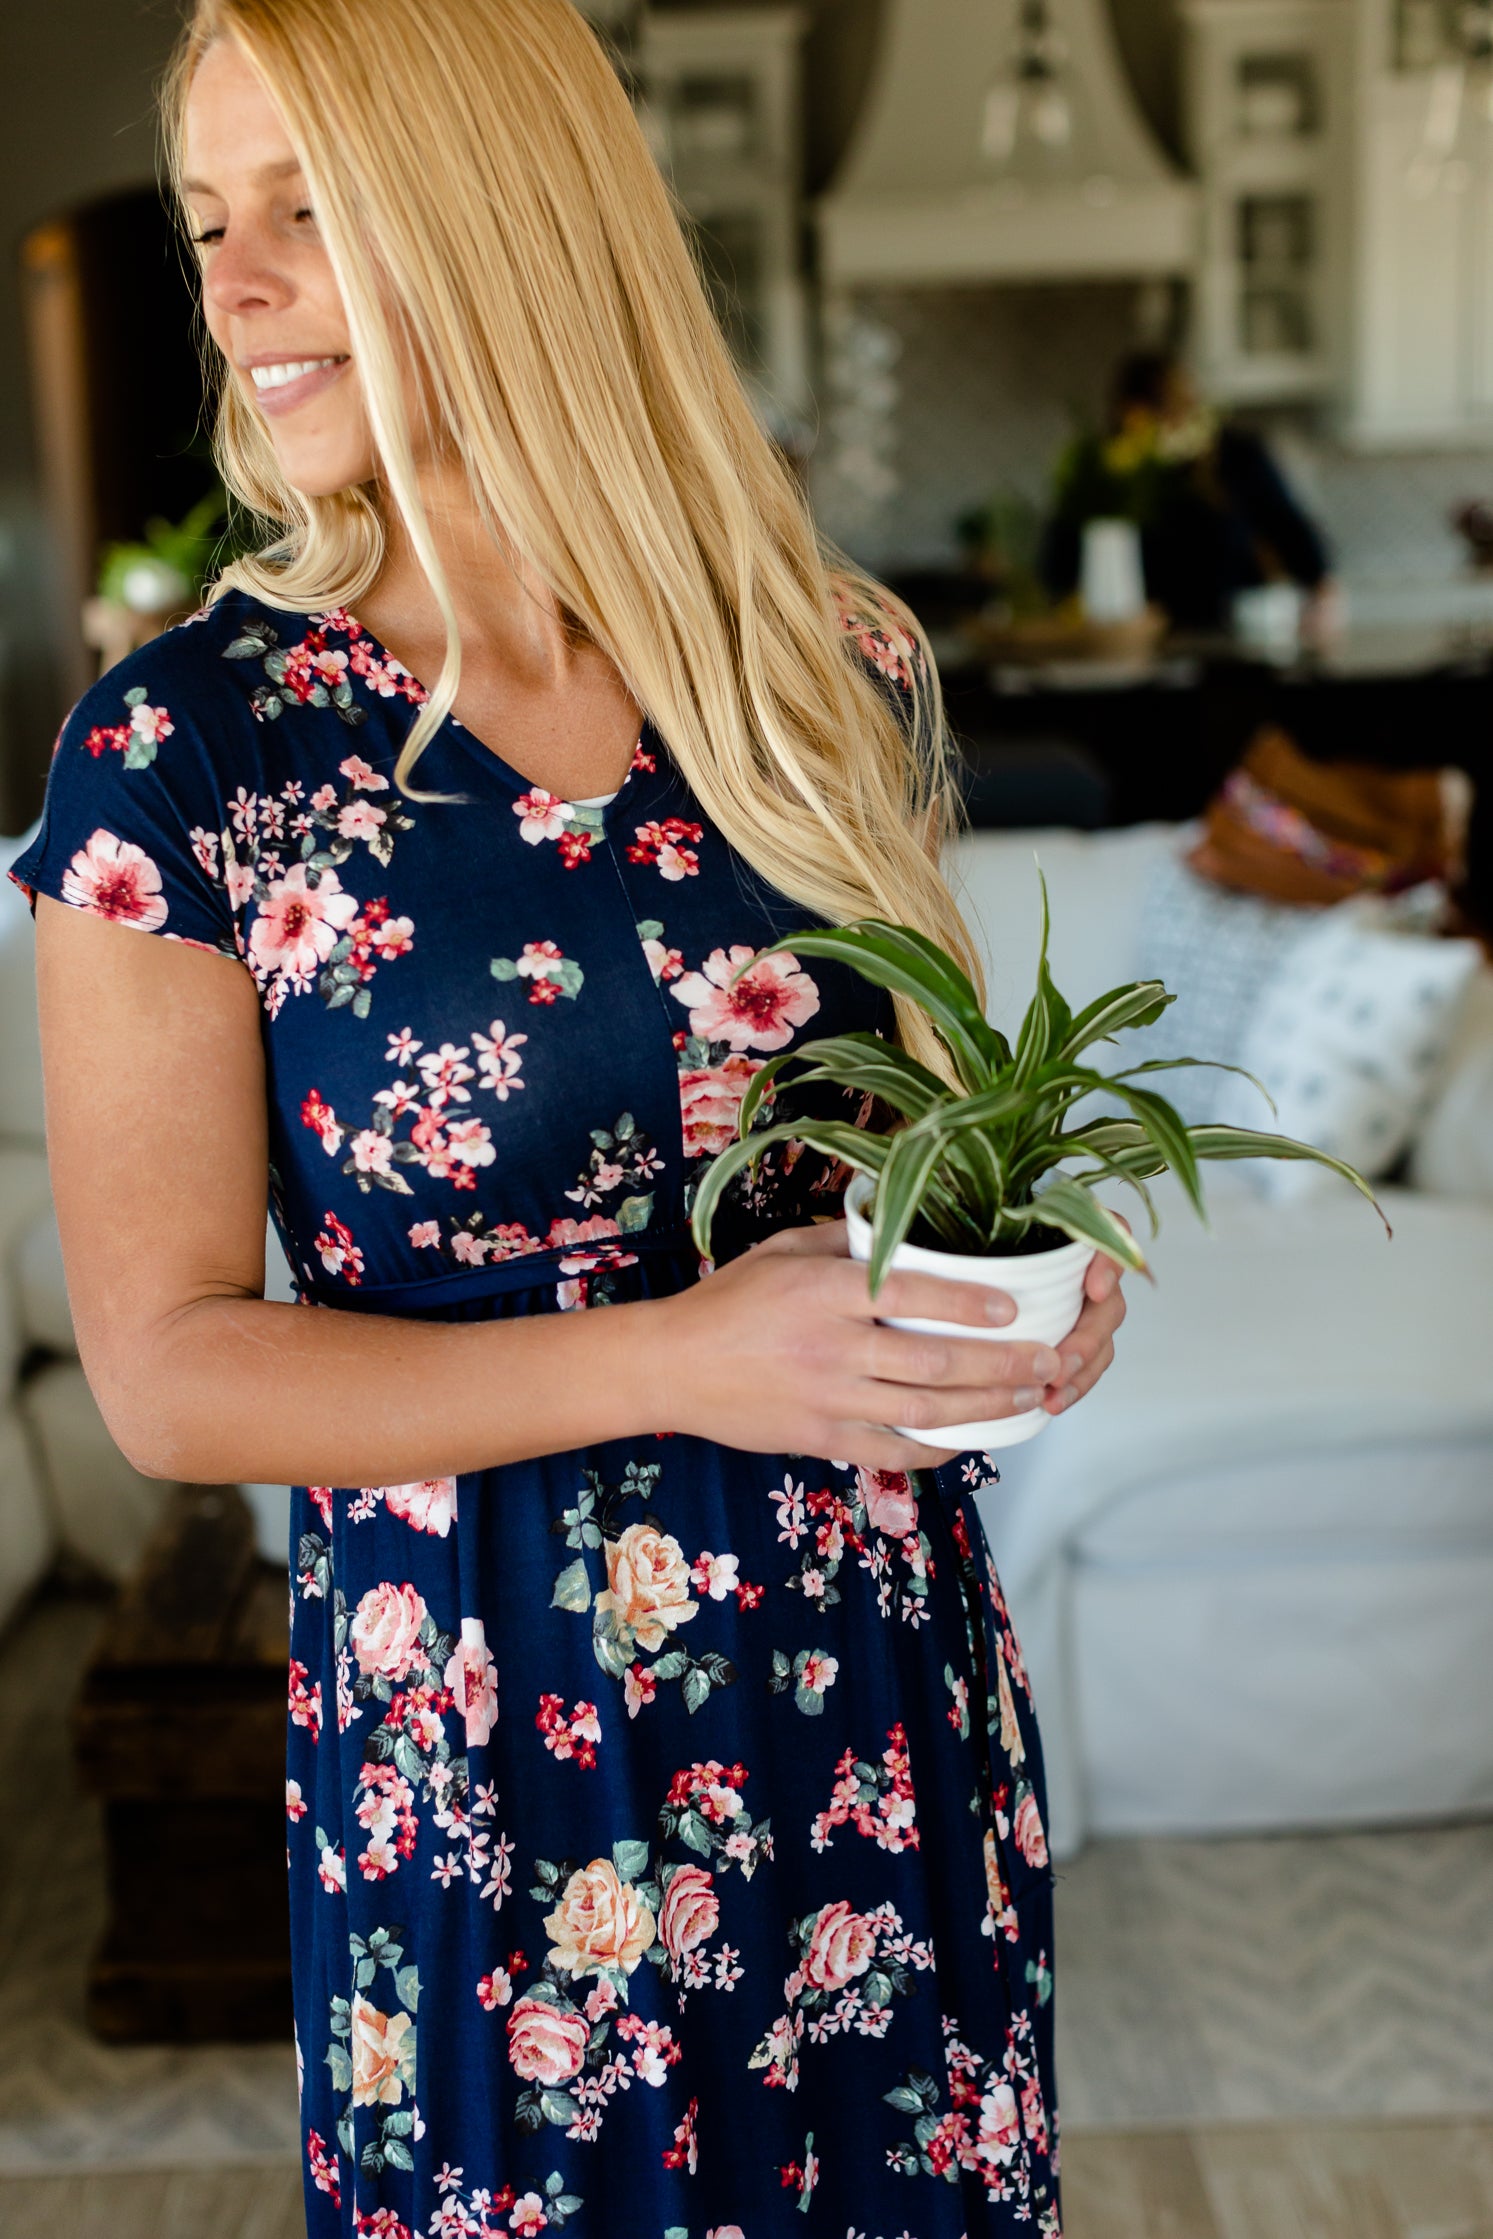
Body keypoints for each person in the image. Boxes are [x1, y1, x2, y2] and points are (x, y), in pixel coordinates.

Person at [12, 2, 1126, 2229]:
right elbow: (161, 1376)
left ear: (504, 223)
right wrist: (686, 1355)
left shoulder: (825, 668)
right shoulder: (185, 759)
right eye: (210, 224)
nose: (227, 292)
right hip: (497, 1793)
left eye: (303, 214)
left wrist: (1027, 1296)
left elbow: (945, 1153)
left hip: (869, 1715)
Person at [1041, 348, 1342, 640]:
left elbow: (1289, 529)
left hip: (1231, 634)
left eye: (1178, 403)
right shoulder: (1105, 469)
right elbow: (1061, 561)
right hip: (1134, 636)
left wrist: (1321, 592)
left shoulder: (1235, 457)